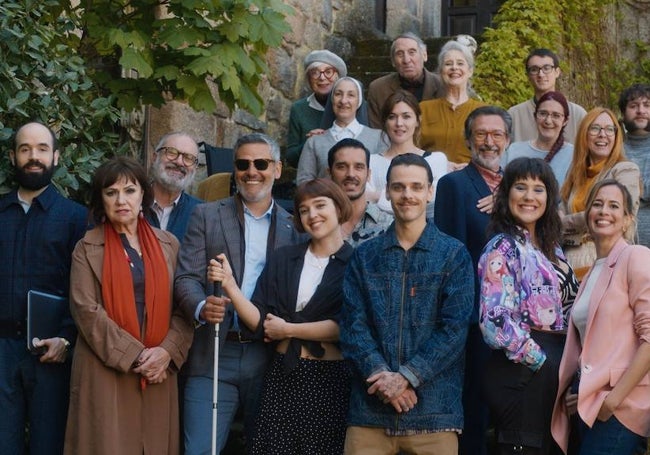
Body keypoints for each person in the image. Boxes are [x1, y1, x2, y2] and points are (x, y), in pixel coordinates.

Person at [175, 133, 305, 454]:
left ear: (277, 169)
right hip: (214, 352)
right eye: (243, 164)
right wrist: (202, 306)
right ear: (234, 169)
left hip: (269, 357)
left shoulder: (295, 229)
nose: (252, 171)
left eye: (261, 163)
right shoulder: (206, 215)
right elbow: (186, 278)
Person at [340, 153, 474, 454]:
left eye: (416, 187)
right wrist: (385, 381)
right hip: (370, 410)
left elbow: (453, 331)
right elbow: (353, 327)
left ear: (430, 192)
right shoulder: (365, 256)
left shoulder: (453, 255)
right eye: (399, 187)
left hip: (434, 413)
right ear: (387, 191)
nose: (407, 195)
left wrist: (406, 377)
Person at [208, 178, 354, 454]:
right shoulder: (284, 258)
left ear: (338, 208)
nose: (313, 215)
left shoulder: (356, 262)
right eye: (304, 210)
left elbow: (346, 326)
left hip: (329, 381)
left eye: (320, 205)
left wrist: (288, 329)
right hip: (283, 376)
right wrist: (230, 285)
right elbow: (261, 321)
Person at [64, 156, 193, 454]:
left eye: (129, 190)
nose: (121, 200)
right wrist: (138, 356)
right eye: (111, 193)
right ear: (101, 200)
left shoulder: (169, 244)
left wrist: (166, 353)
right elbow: (86, 312)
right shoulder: (86, 247)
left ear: (143, 195)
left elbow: (184, 307)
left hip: (159, 370)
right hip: (106, 370)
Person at [0, 122, 87, 455]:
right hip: (2, 352)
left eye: (41, 149)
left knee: (48, 446)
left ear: (56, 157)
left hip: (53, 353)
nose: (33, 156)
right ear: (12, 156)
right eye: (24, 149)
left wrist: (67, 337)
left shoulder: (76, 218)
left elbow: (84, 288)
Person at [478, 157, 576, 455]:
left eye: (539, 189)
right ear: (506, 195)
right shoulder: (502, 246)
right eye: (521, 187)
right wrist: (542, 362)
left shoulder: (551, 247)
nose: (529, 197)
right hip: (523, 367)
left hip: (555, 366)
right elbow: (494, 322)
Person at [551, 180, 650, 455]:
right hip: (590, 404)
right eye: (597, 204)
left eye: (613, 205)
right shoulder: (591, 272)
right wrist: (579, 389)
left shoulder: (636, 256)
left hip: (622, 407)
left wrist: (613, 400)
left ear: (628, 219)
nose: (603, 211)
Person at [434, 105, 512, 455]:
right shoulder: (454, 185)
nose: (489, 141)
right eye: (481, 133)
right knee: (475, 409)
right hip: (477, 318)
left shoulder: (519, 185)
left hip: (517, 316)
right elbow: (452, 254)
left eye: (497, 134)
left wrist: (508, 201)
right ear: (468, 139)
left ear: (508, 140)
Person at [560, 107, 640, 280]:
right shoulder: (575, 173)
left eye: (609, 129)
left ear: (616, 136)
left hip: (608, 260)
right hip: (569, 261)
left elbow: (617, 213)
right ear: (584, 134)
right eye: (595, 128)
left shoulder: (625, 170)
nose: (602, 134)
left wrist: (565, 222)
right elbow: (561, 208)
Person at [367, 90, 448, 218]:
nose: (399, 123)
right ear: (384, 122)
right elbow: (366, 206)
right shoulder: (370, 162)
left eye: (406, 116)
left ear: (417, 120)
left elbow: (433, 204)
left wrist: (377, 196)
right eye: (392, 117)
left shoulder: (436, 159)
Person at [297, 76, 385, 184]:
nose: (343, 100)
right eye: (338, 94)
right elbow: (304, 182)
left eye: (351, 95)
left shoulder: (378, 138)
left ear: (359, 101)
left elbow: (384, 180)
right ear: (332, 99)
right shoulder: (315, 141)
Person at [419, 39, 486, 166]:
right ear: (440, 72)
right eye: (448, 64)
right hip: (431, 178)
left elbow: (490, 151)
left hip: (472, 177)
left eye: (460, 63)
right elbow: (412, 149)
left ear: (470, 71)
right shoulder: (423, 109)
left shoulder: (484, 111)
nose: (454, 67)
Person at [508, 48, 587, 143]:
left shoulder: (577, 114)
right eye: (534, 69)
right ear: (528, 75)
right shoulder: (514, 115)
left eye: (546, 68)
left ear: (557, 72)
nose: (541, 74)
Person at [367, 32, 443, 128]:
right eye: (400, 54)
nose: (406, 60)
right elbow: (377, 133)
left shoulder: (443, 85)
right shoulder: (378, 89)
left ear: (424, 55)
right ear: (393, 61)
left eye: (412, 52)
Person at [286, 49, 347, 167]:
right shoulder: (299, 109)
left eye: (328, 72)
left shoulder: (354, 106)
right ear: (308, 79)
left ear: (338, 76)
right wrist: (308, 144)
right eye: (315, 72)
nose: (322, 78)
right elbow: (291, 158)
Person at [327, 138, 392, 246]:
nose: (351, 174)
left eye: (359, 167)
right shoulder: (317, 221)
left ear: (368, 174)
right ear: (329, 173)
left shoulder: (388, 225)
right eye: (342, 167)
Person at [503, 91, 574, 188]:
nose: (548, 121)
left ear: (565, 120)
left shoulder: (574, 155)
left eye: (556, 115)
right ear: (535, 116)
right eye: (543, 113)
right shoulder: (514, 150)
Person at [146, 131, 203, 241]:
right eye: (171, 152)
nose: (179, 162)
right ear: (154, 157)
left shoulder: (202, 214)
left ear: (195, 168)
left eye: (188, 158)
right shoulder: (131, 204)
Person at [619, 83, 650, 248]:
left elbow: (625, 192)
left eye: (647, 105)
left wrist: (632, 187)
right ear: (623, 113)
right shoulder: (615, 149)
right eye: (634, 106)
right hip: (625, 246)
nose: (641, 110)